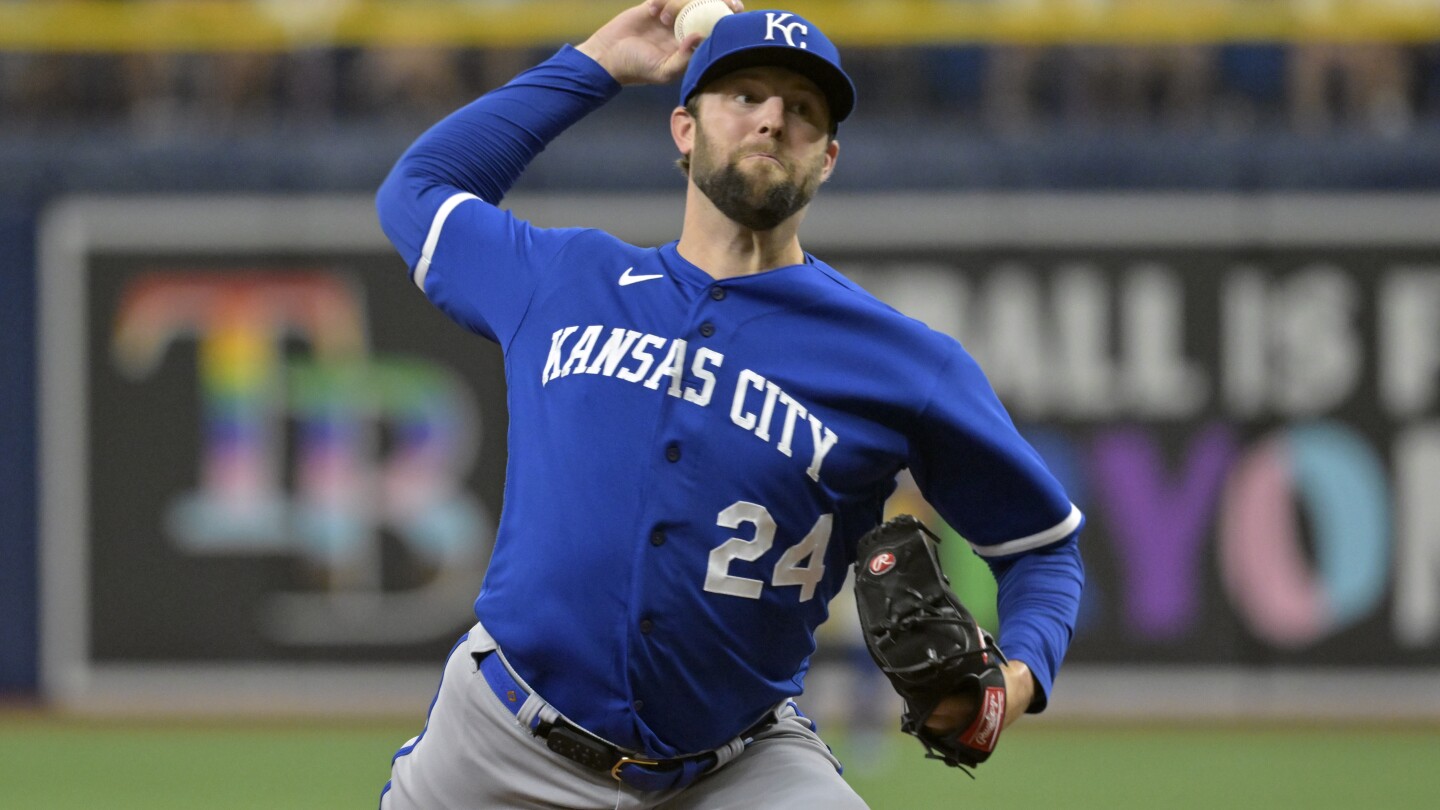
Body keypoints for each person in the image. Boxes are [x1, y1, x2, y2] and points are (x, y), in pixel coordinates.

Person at [374, 3, 1084, 807]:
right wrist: (596, 64)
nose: (774, 118)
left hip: (738, 767)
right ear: (684, 128)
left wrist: (1014, 682)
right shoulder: (565, 279)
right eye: (745, 95)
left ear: (828, 158)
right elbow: (417, 192)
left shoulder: (901, 363)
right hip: (499, 746)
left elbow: (1043, 549)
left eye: (804, 110)